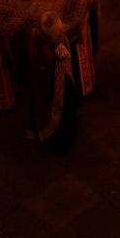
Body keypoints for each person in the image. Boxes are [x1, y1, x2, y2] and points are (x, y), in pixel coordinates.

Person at [25, 11, 81, 154]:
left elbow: (61, 49)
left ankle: (69, 136)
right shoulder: (40, 51)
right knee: (57, 117)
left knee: (69, 108)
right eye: (58, 31)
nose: (61, 32)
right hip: (52, 91)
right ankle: (58, 143)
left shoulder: (52, 37)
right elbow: (42, 79)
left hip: (62, 80)